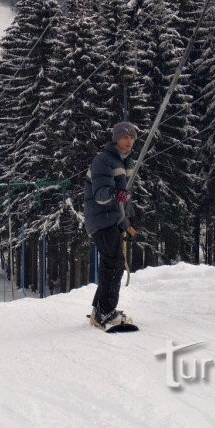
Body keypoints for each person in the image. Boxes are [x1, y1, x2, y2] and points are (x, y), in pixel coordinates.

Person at [84, 121, 139, 329]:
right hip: (101, 219)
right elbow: (100, 195)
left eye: (132, 137)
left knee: (112, 263)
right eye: (125, 137)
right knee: (115, 263)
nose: (129, 141)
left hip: (112, 219)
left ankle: (100, 309)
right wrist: (116, 194)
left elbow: (123, 201)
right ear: (116, 138)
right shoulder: (103, 160)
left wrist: (128, 222)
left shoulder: (123, 163)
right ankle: (106, 312)